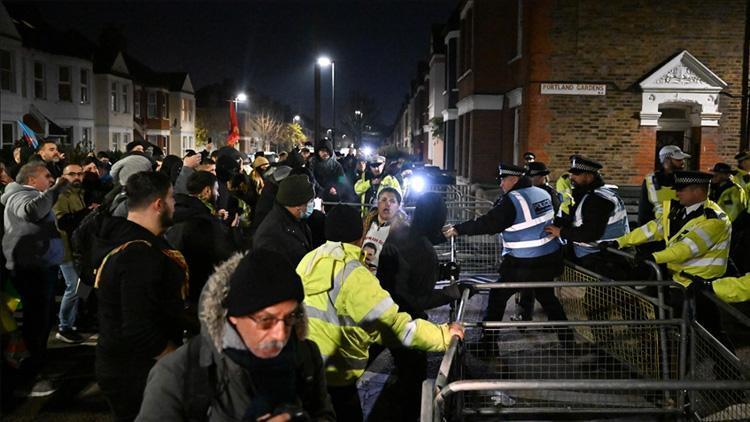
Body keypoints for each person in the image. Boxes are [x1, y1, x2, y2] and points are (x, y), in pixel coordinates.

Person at [297, 204, 463, 421]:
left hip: (306, 368)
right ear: (360, 236)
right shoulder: (355, 275)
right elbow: (394, 326)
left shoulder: (308, 261)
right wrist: (443, 335)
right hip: (338, 376)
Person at [136, 250, 335, 422]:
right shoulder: (176, 375)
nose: (281, 334)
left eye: (290, 317)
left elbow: (324, 414)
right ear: (233, 317)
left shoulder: (307, 355)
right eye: (266, 320)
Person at [93, 171, 188, 422]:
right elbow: (139, 327)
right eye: (172, 198)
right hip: (135, 372)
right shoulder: (139, 254)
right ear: (159, 204)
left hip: (124, 366)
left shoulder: (125, 238)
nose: (175, 204)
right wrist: (178, 360)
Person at [443, 163, 572, 343]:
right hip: (548, 259)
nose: (501, 184)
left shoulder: (513, 199)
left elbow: (489, 223)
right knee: (548, 298)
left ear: (514, 179)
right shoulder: (543, 192)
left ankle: (488, 344)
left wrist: (459, 229)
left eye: (503, 180)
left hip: (523, 263)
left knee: (497, 297)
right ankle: (568, 341)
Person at [606, 171, 731, 339]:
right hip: (680, 282)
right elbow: (653, 229)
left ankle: (721, 364)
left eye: (681, 189)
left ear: (698, 191)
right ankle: (685, 361)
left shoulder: (714, 220)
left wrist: (654, 257)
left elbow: (686, 248)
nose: (676, 193)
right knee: (686, 330)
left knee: (712, 333)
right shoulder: (679, 210)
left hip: (701, 286)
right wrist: (621, 241)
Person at [373, 193, 462, 421]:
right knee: (413, 382)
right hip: (406, 320)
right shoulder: (423, 249)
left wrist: (440, 272)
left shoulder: (400, 233)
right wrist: (448, 294)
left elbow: (405, 274)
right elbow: (417, 297)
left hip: (379, 311)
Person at [1, 162, 70, 395]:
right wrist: (58, 188)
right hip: (31, 270)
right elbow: (31, 212)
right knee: (34, 324)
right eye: (46, 176)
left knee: (40, 323)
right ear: (31, 180)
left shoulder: (29, 195)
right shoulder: (19, 196)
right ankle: (28, 378)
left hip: (39, 268)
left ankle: (36, 368)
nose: (51, 180)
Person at [544, 156, 630, 278]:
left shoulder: (597, 199)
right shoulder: (593, 193)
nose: (572, 177)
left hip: (602, 258)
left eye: (577, 174)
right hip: (602, 254)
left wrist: (560, 232)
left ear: (589, 176)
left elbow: (590, 233)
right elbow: (578, 218)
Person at [166, 171, 240, 308]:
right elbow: (225, 256)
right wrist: (232, 230)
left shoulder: (176, 211)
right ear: (207, 191)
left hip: (180, 292)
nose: (218, 194)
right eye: (216, 189)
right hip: (202, 293)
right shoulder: (205, 222)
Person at [53, 163, 95, 344]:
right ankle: (64, 326)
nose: (77, 177)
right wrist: (87, 212)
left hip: (79, 248)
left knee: (82, 284)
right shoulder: (61, 195)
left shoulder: (79, 193)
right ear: (64, 176)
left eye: (80, 174)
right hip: (65, 248)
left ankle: (76, 319)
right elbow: (62, 222)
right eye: (72, 174)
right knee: (73, 287)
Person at [253, 174, 314, 266]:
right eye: (310, 202)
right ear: (298, 206)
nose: (312, 205)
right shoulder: (269, 237)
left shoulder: (296, 218)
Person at [638, 145, 690, 226]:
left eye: (682, 159)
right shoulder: (650, 181)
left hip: (680, 228)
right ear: (667, 161)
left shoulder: (686, 180)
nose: (683, 162)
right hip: (657, 230)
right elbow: (644, 211)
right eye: (678, 159)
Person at [361, 187, 408, 272]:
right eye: (384, 200)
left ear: (398, 206)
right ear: (377, 203)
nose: (388, 204)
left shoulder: (403, 231)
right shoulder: (365, 223)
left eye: (392, 201)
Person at [308, 138, 347, 203]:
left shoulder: (337, 165)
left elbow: (342, 179)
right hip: (316, 197)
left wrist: (336, 188)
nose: (325, 153)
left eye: (327, 151)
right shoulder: (312, 164)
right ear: (318, 151)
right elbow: (311, 179)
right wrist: (324, 191)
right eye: (322, 151)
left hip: (333, 197)